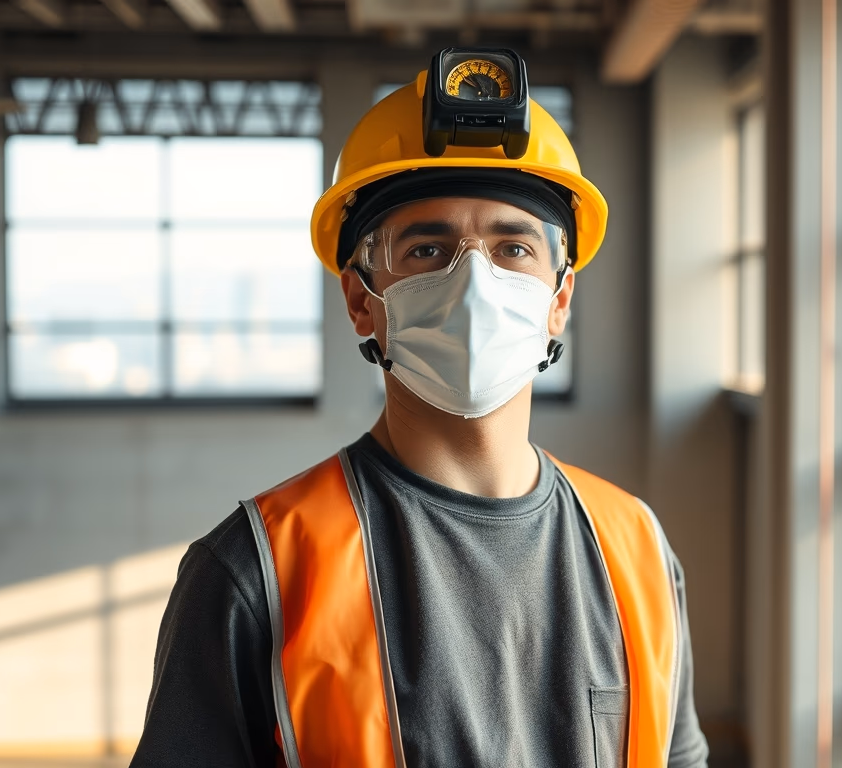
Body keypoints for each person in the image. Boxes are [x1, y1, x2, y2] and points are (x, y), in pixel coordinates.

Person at [131, 50, 710, 768]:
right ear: (360, 300)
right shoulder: (259, 571)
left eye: (513, 247)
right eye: (428, 248)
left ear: (558, 300)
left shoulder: (639, 550)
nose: (474, 281)